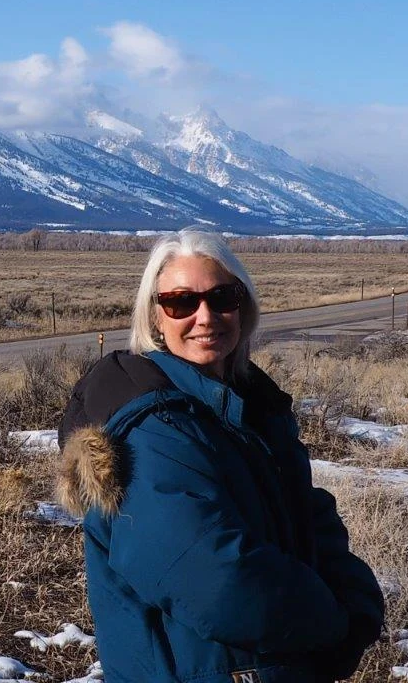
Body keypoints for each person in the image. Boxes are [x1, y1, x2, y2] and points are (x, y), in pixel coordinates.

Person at [56, 228, 383, 683]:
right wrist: (335, 624)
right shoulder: (151, 429)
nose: (205, 316)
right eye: (181, 302)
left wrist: (354, 596)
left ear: (244, 305)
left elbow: (305, 512)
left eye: (222, 297)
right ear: (156, 317)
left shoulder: (244, 406)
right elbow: (214, 579)